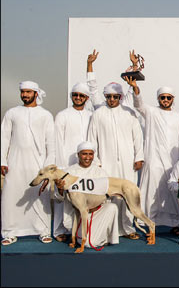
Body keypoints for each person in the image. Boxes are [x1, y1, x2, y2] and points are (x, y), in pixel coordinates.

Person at [125, 76, 179, 235]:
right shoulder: (151, 112)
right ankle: (147, 223)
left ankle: (174, 224)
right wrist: (135, 88)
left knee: (172, 194)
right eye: (162, 98)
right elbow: (138, 104)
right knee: (151, 193)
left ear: (172, 99)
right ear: (158, 99)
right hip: (153, 160)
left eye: (168, 98)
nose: (165, 100)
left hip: (172, 162)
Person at [87, 81, 144, 240]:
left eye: (115, 96)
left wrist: (139, 156)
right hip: (106, 161)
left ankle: (128, 228)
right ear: (105, 97)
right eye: (109, 96)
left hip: (127, 161)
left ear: (120, 97)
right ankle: (106, 229)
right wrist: (96, 161)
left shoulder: (129, 112)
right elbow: (92, 139)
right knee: (107, 195)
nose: (112, 99)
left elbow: (137, 136)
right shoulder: (98, 114)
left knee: (128, 194)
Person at [1, 81, 55, 245]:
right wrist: (2, 160)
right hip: (15, 163)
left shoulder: (45, 115)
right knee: (11, 196)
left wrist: (48, 168)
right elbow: (4, 138)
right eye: (23, 92)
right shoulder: (12, 113)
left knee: (40, 196)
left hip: (37, 164)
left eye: (28, 92)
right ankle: (10, 232)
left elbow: (51, 144)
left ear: (36, 94)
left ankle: (43, 231)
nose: (25, 95)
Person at [53, 141, 120, 249]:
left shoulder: (100, 172)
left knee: (112, 207)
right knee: (89, 244)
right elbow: (58, 199)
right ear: (78, 154)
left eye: (90, 154)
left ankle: (104, 236)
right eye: (84, 154)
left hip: (96, 212)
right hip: (78, 215)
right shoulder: (68, 172)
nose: (87, 157)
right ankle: (91, 236)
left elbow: (106, 197)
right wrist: (60, 190)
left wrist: (95, 204)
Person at [53, 82, 94, 242]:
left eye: (81, 95)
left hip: (85, 163)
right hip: (66, 163)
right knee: (61, 196)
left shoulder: (91, 115)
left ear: (86, 98)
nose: (78, 98)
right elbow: (57, 140)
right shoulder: (63, 115)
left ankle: (80, 230)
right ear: (72, 97)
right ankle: (58, 230)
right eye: (75, 95)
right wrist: (60, 166)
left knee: (82, 197)